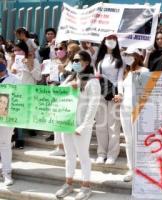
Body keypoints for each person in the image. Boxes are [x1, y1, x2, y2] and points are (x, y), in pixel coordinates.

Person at [55, 51, 100, 200]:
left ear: (86, 62)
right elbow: (58, 91)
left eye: (77, 60)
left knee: (83, 155)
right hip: (67, 123)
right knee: (69, 155)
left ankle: (86, 186)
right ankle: (68, 183)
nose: (74, 63)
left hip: (81, 126)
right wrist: (70, 87)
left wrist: (85, 126)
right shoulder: (71, 77)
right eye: (73, 60)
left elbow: (93, 106)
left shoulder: (93, 81)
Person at [113, 46, 149, 182]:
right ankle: (131, 168)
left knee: (139, 140)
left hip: (139, 110)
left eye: (130, 55)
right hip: (124, 109)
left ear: (137, 56)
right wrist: (119, 96)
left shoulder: (145, 71)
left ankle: (143, 169)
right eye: (126, 55)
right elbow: (122, 90)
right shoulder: (125, 72)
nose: (127, 57)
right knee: (129, 140)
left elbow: (146, 91)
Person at [94, 34, 124, 165]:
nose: (111, 42)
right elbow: (95, 76)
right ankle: (101, 153)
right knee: (100, 125)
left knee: (113, 126)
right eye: (108, 39)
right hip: (100, 93)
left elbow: (120, 78)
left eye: (114, 39)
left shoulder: (119, 58)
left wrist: (121, 93)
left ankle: (112, 154)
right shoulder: (98, 58)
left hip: (114, 94)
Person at [0, 58, 20, 186]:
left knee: (4, 144)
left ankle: (7, 173)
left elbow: (20, 98)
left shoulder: (15, 79)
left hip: (6, 117)